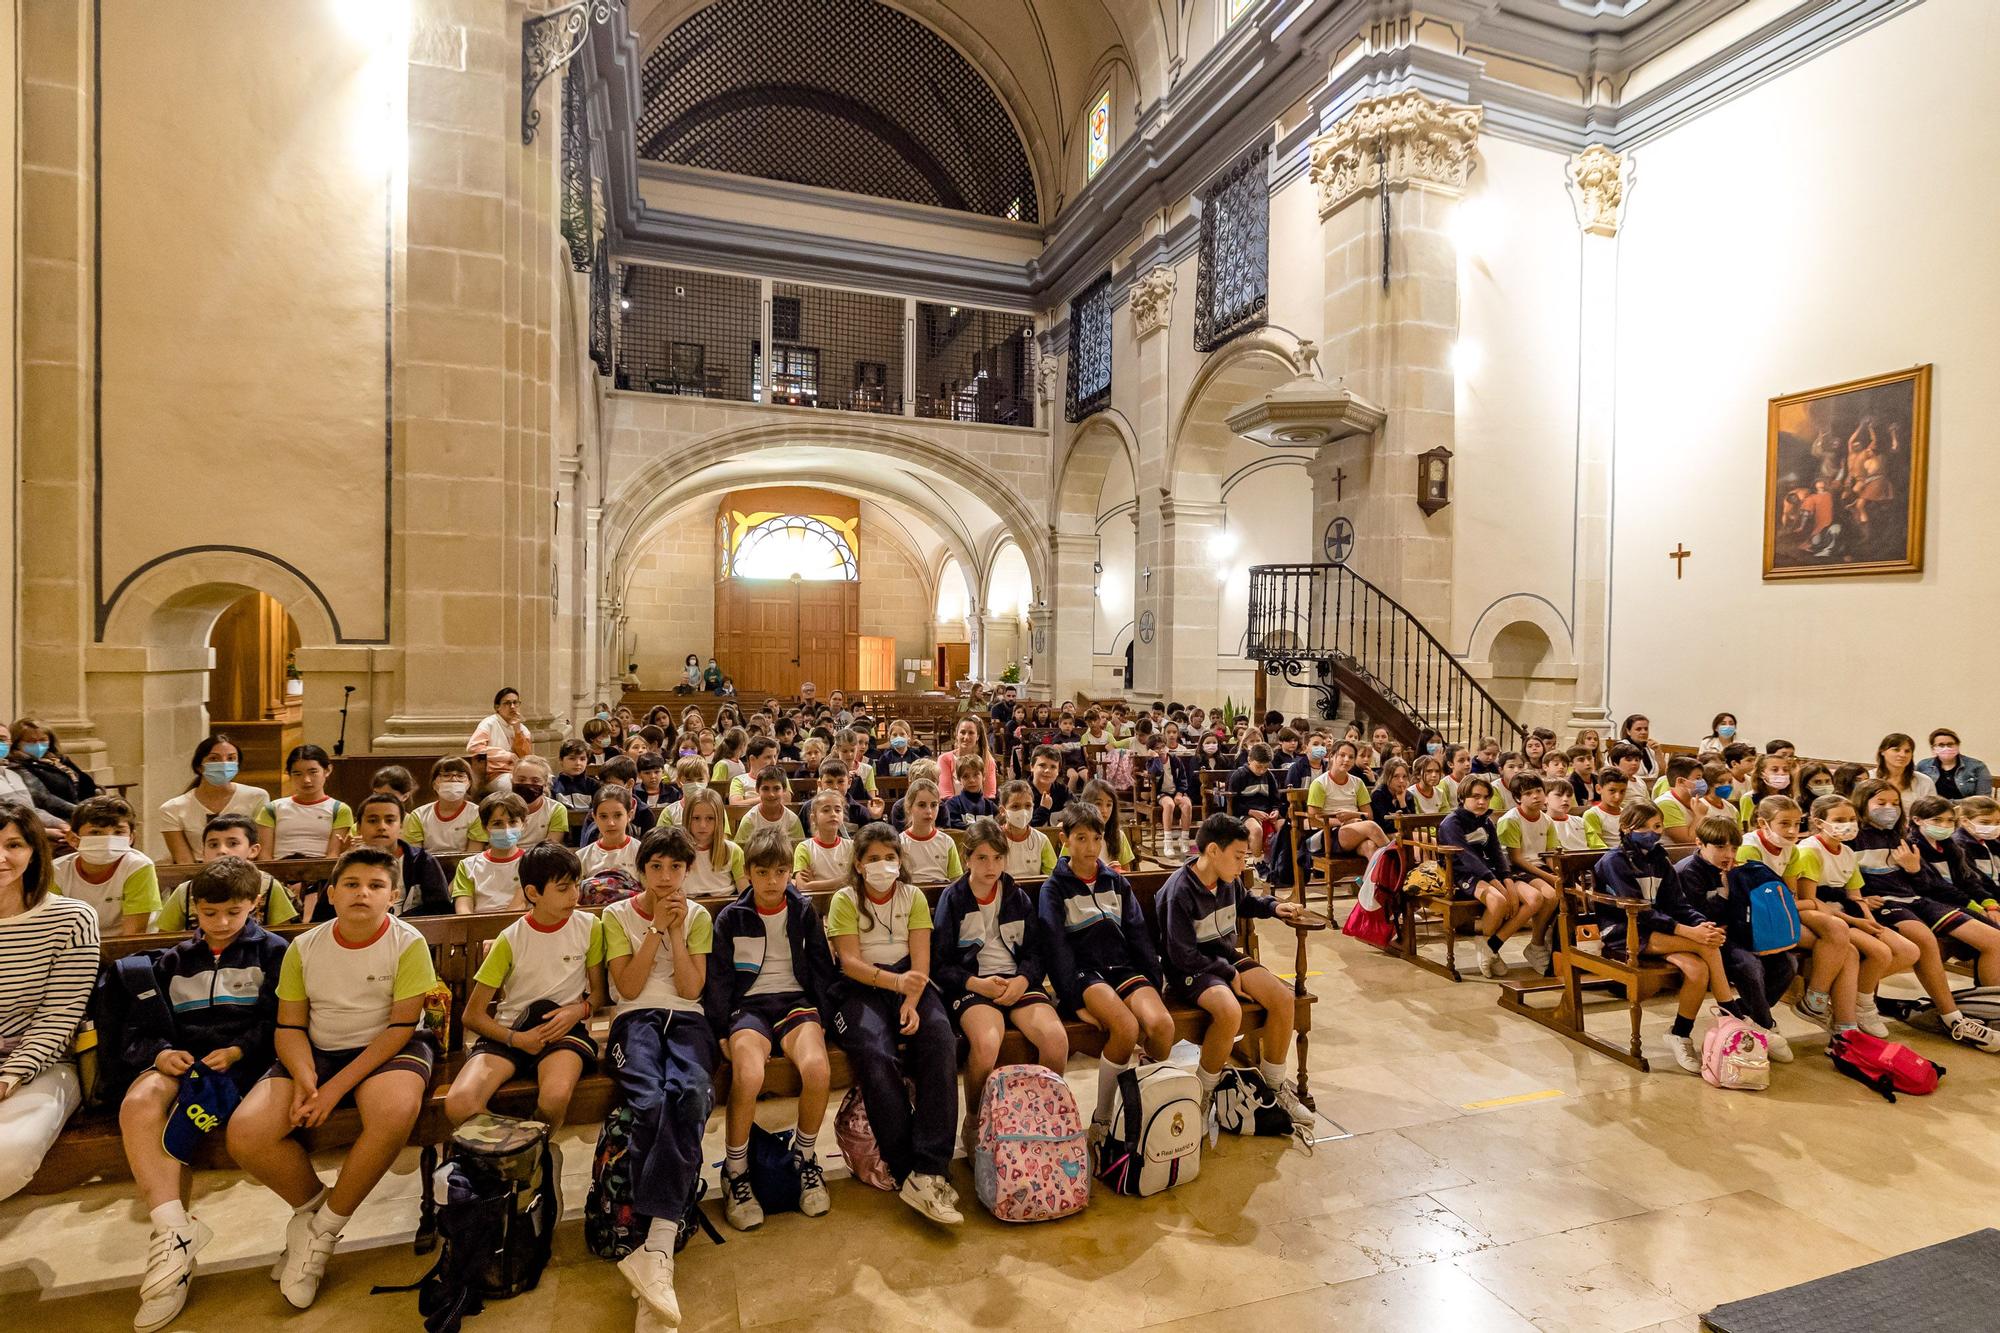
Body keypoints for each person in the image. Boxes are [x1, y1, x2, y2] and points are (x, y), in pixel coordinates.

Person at [227, 847, 438, 1309]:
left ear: (394, 896)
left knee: (395, 1111)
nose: (363, 892)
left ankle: (324, 1232)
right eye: (352, 883)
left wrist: (333, 1090)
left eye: (376, 885)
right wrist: (306, 1080)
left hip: (388, 1046)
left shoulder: (407, 942)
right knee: (246, 1133)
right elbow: (289, 1027)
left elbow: (402, 1026)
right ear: (332, 893)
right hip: (317, 1051)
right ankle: (313, 1209)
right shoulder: (306, 946)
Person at [120, 856, 289, 1331]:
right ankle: (175, 1232)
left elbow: (282, 1021)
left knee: (187, 1125)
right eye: (210, 913)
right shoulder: (174, 960)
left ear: (254, 905)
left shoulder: (274, 951)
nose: (220, 924)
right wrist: (161, 1054)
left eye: (233, 913)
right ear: (194, 907)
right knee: (141, 1103)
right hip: (188, 1065)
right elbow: (143, 1030)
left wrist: (240, 1050)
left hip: (248, 1067)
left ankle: (174, 1257)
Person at [600, 827, 717, 1323]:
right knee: (649, 1101)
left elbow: (691, 989)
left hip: (687, 1020)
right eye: (656, 868)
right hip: (636, 1021)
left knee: (690, 1094)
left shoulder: (698, 916)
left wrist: (675, 928)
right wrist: (652, 929)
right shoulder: (615, 915)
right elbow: (626, 987)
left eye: (675, 868)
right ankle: (658, 1244)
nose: (666, 879)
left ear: (687, 871)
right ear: (641, 871)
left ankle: (655, 1248)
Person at [826, 822, 962, 1225]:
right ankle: (906, 1169)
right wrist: (894, 984)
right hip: (862, 985)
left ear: (900, 861)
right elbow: (849, 962)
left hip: (910, 981)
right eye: (873, 859)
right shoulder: (845, 899)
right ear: (859, 863)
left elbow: (920, 958)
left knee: (940, 1038)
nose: (883, 865)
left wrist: (913, 998)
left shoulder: (913, 896)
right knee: (875, 1051)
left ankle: (931, 1166)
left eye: (890, 857)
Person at [706, 829, 835, 1233]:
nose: (773, 881)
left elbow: (821, 969)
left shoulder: (802, 911)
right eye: (763, 872)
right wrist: (722, 1029)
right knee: (748, 1074)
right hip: (750, 1006)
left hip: (796, 1002)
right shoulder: (731, 917)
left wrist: (825, 1019)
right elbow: (720, 979)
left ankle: (806, 1157)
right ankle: (737, 1171)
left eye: (781, 872)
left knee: (817, 1069)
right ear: (749, 873)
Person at [1155, 813, 1311, 1120]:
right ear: (1213, 851)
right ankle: (1203, 1092)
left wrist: (1274, 906)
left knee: (1281, 998)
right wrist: (1229, 974)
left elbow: (1247, 901)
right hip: (1190, 969)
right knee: (1229, 1011)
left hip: (1224, 958)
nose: (1243, 866)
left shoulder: (1227, 879)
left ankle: (1274, 1088)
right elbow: (1181, 954)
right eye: (1238, 857)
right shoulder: (1180, 891)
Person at [446, 843, 604, 1131]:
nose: (574, 895)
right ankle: (517, 1160)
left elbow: (599, 993)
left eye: (576, 886)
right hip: (511, 1031)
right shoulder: (511, 938)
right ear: (533, 893)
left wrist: (579, 1010)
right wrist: (517, 1040)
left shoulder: (588, 926)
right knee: (460, 1103)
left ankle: (532, 1156)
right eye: (563, 888)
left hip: (562, 1030)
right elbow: (473, 1016)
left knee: (554, 1097)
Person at [1039, 802, 1171, 1145]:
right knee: (1125, 1028)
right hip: (1086, 974)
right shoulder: (1054, 888)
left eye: (1096, 838)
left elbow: (1138, 933)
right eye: (1080, 838)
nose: (1090, 847)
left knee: (1162, 1026)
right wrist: (1071, 1001)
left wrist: (1154, 981)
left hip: (1122, 968)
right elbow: (1056, 948)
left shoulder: (1116, 882)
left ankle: (1141, 1101)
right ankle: (1102, 1118)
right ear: (1064, 840)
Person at [933, 817, 1067, 1153]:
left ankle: (1039, 1115)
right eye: (981, 858)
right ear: (967, 859)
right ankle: (976, 1121)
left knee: (1055, 1039)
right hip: (973, 985)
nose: (990, 866)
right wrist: (975, 983)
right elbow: (940, 963)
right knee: (988, 1041)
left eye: (997, 857)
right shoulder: (954, 898)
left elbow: (1036, 952)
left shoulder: (1017, 896)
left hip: (1016, 981)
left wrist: (1023, 978)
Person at [1594, 801, 1750, 1073]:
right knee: (1707, 945)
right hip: (1624, 932)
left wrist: (1703, 924)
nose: (1651, 832)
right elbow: (1638, 912)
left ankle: (1680, 1033)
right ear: (1625, 828)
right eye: (1641, 827)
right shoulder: (1613, 861)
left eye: (1656, 826)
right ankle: (1731, 1012)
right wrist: (1691, 932)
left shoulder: (1659, 858)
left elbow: (1678, 904)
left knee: (1698, 968)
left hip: (1660, 931)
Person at [0, 804, 98, 1203]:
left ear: (34, 850)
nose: (1, 858)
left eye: (13, 844)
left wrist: (9, 1077)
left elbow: (60, 1013)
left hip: (42, 1065)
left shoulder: (72, 919)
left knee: (9, 1153)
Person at [1672, 819, 1796, 1061]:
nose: (1728, 855)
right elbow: (1696, 916)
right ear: (1700, 843)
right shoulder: (1688, 872)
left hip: (1736, 933)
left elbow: (1747, 910)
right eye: (1720, 848)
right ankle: (1764, 1026)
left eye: (1733, 849)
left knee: (1787, 964)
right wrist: (1726, 893)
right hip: (1706, 938)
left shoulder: (1736, 870)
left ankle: (1743, 1015)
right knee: (1749, 966)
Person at [1438, 777, 1536, 979]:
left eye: (1486, 797)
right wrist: (1498, 886)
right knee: (1498, 901)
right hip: (1462, 873)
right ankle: (1490, 947)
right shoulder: (1451, 823)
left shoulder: (1486, 822)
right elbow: (1467, 857)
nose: (1481, 802)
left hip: (1490, 872)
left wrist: (1507, 880)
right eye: (1475, 797)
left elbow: (1497, 854)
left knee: (1535, 900)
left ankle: (1489, 947)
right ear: (1462, 797)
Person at [155, 815, 300, 930]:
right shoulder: (186, 890)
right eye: (213, 845)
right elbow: (164, 938)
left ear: (253, 850)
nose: (221, 850)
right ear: (203, 851)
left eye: (233, 843)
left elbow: (284, 932)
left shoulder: (268, 886)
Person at [52, 794, 160, 936]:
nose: (109, 840)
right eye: (96, 832)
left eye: (118, 832)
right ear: (73, 839)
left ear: (131, 838)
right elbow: (54, 925)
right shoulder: (56, 870)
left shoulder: (138, 867)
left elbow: (134, 933)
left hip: (126, 948)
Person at [158, 735, 271, 864]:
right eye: (214, 759)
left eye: (231, 758)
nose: (224, 764)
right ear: (199, 766)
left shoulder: (258, 797)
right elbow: (184, 863)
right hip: (200, 874)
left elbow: (263, 854)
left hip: (246, 871)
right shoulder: (172, 809)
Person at [351, 792, 450, 917]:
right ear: (359, 827)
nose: (382, 826)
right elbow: (326, 914)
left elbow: (441, 909)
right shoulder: (348, 864)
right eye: (372, 821)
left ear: (401, 826)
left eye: (390, 820)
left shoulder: (422, 861)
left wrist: (398, 924)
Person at [258, 745, 354, 862]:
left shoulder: (339, 809)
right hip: (279, 873)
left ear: (327, 770)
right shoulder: (272, 809)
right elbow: (264, 855)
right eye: (297, 774)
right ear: (289, 775)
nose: (306, 780)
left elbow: (334, 854)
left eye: (313, 772)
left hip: (323, 874)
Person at [1306, 740, 1389, 862]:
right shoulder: (1319, 783)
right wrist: (1342, 822)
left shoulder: (1358, 783)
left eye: (1351, 757)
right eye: (1342, 755)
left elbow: (1369, 815)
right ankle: (1397, 862)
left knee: (1370, 847)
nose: (1346, 760)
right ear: (1332, 756)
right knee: (1371, 827)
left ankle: (1373, 881)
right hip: (1329, 834)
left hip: (1356, 828)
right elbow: (1313, 819)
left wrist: (1354, 816)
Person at [450, 792, 529, 913]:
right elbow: (463, 909)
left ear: (523, 824)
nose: (506, 829)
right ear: (484, 827)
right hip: (478, 927)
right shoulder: (467, 866)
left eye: (512, 822)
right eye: (497, 823)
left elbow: (519, 904)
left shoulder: (532, 863)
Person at [469, 754, 567, 850]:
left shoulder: (556, 809)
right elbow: (480, 847)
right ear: (512, 780)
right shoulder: (494, 807)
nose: (527, 784)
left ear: (545, 783)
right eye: (521, 779)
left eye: (535, 781)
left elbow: (550, 848)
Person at [7, 718, 99, 807]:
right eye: (31, 741)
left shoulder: (58, 759)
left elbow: (84, 782)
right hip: (63, 817)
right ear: (16, 743)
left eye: (43, 740)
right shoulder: (17, 765)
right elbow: (44, 798)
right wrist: (80, 812)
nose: (38, 744)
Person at [679, 787, 747, 897]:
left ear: (719, 820)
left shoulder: (733, 851)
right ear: (687, 818)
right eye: (696, 818)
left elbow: (744, 894)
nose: (703, 825)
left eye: (710, 818)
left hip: (724, 907)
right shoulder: (675, 851)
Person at [897, 778, 963, 888]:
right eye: (922, 805)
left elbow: (956, 882)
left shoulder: (946, 842)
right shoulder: (899, 843)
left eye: (933, 805)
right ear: (909, 807)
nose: (928, 811)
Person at [404, 757, 477, 854]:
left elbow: (472, 857)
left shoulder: (477, 814)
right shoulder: (418, 815)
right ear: (434, 784)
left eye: (460, 776)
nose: (454, 779)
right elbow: (415, 856)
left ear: (469, 784)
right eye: (446, 775)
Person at [467, 686, 533, 788]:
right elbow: (474, 748)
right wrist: (507, 755)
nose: (512, 706)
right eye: (507, 703)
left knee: (546, 782)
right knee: (513, 788)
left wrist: (517, 731)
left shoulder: (522, 729)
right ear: (497, 707)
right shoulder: (489, 724)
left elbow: (525, 757)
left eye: (515, 703)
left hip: (519, 773)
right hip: (495, 774)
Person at [997, 780, 1057, 878]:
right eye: (1015, 806)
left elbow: (1052, 874)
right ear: (1003, 811)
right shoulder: (994, 838)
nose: (1023, 812)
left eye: (1028, 806)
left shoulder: (1041, 840)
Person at [579, 784, 641, 877]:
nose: (611, 823)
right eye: (603, 816)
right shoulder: (582, 857)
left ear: (629, 815)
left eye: (618, 815)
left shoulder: (641, 853)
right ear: (594, 817)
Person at [1917, 727, 1990, 799]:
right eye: (1941, 745)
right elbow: (1918, 795)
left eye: (1950, 744)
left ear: (1957, 745)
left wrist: (1949, 804)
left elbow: (1983, 800)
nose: (1946, 748)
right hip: (1932, 809)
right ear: (1933, 748)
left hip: (1966, 809)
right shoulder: (1923, 766)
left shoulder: (1978, 766)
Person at [1873, 732, 1936, 802]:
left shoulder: (1924, 781)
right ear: (1882, 752)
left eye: (1907, 751)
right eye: (1896, 750)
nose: (1902, 755)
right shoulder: (1869, 778)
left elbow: (1932, 811)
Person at [1582, 769, 1627, 850]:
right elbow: (1596, 845)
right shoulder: (1592, 814)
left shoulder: (1627, 813)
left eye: (1622, 791)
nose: (1618, 797)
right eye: (1612, 791)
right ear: (1599, 789)